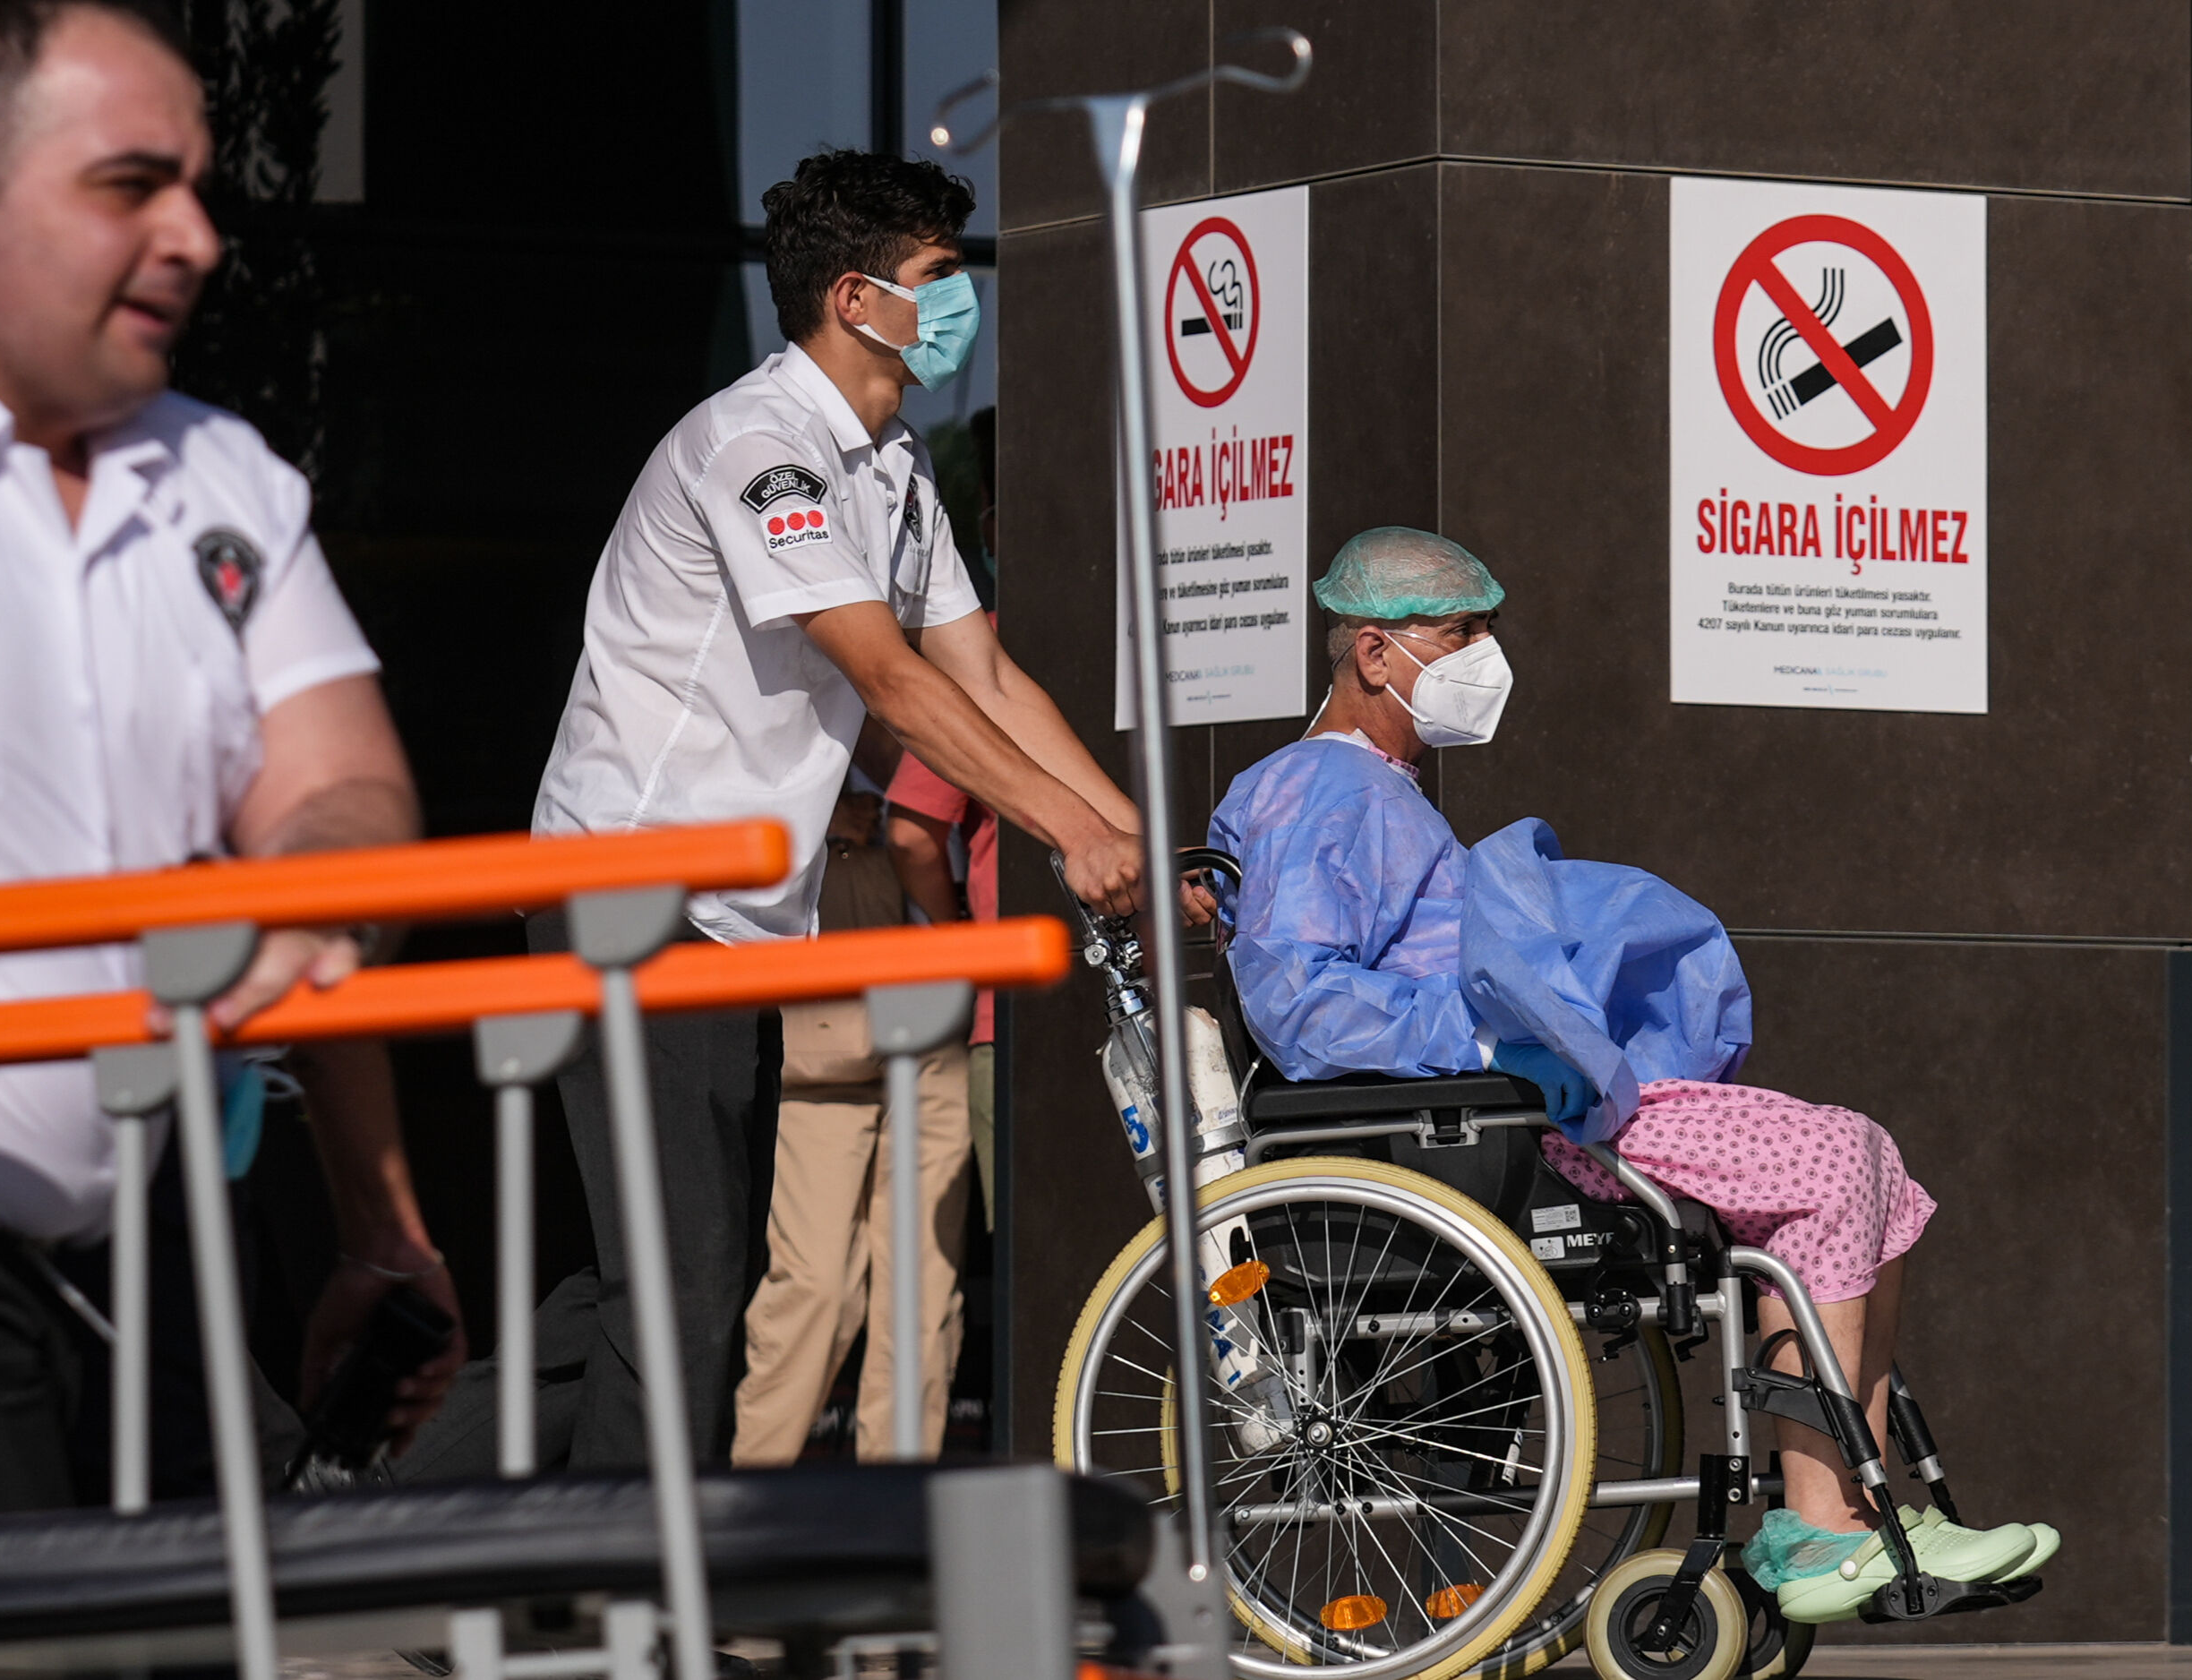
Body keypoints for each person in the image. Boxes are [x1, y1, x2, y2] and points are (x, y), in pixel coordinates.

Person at [1205, 526, 2056, 1623]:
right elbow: (1300, 1000)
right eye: (1460, 634)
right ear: (1374, 655)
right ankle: (1818, 1526)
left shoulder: (1380, 791)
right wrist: (1483, 1045)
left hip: (1515, 1106)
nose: (1485, 658)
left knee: (1869, 1162)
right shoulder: (1320, 788)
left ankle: (1862, 1493)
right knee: (1836, 1156)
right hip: (1487, 1123)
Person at [524, 149, 1152, 1468]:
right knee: (686, 1287)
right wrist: (1064, 832)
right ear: (857, 300)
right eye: (938, 278)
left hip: (739, 919)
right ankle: (630, 1613)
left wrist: (1123, 826)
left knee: (660, 1283)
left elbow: (985, 671)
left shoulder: (893, 468)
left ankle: (391, 1501)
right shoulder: (762, 449)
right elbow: (889, 678)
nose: (959, 302)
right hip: (629, 896)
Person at [0, 0, 462, 1514]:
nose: (195, 237)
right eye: (128, 186)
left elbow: (341, 798)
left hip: (151, 1243)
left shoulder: (222, 477)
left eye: (201, 188)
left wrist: (380, 1227)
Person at [732, 784, 971, 1463]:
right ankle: (743, 1504)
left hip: (934, 1006)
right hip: (826, 1004)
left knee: (924, 1292)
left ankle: (897, 1514)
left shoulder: (937, 710)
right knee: (814, 1289)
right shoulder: (810, 694)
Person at [886, 405, 1000, 1227]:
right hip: (1033, 1006)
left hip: (1011, 1006)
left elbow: (907, 832)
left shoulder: (985, 653)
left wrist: (960, 931)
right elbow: (910, 826)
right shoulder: (977, 657)